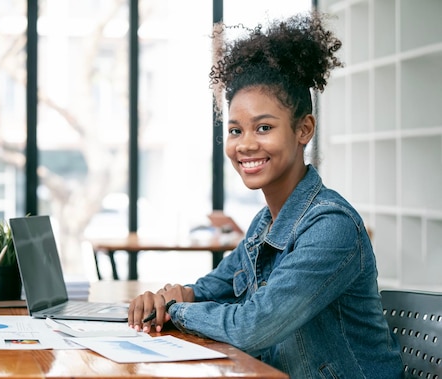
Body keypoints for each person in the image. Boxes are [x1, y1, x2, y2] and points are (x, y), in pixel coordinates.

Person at [128, 12, 404, 378]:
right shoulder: (265, 224)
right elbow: (211, 289)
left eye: (263, 127)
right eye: (235, 130)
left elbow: (252, 327)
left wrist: (173, 311)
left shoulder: (331, 228)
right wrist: (165, 298)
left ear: (304, 129)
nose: (246, 144)